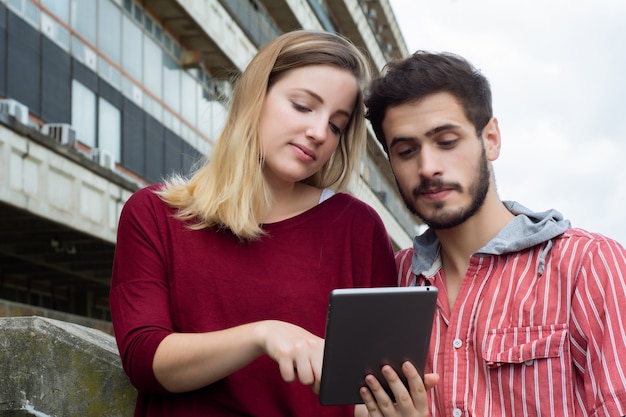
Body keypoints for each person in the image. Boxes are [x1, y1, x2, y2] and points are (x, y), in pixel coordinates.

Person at [109, 29, 400, 417]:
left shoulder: (357, 228)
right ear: (254, 97)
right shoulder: (153, 213)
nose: (318, 132)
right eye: (302, 106)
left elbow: (371, 388)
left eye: (336, 125)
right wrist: (264, 334)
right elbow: (144, 360)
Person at [359, 50, 626, 416]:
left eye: (447, 141)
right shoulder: (389, 281)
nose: (428, 167)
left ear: (491, 139)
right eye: (406, 151)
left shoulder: (589, 264)